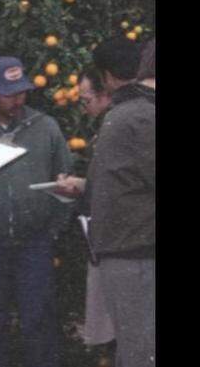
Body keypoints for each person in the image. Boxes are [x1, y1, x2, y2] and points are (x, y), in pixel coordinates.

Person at [0, 56, 73, 367]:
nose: (17, 99)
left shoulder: (46, 127)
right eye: (9, 93)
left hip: (34, 244)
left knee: (39, 321)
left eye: (22, 91)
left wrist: (52, 230)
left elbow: (67, 182)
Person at [54, 38, 155, 367]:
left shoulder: (129, 116)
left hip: (130, 252)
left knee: (136, 349)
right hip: (134, 252)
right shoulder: (136, 115)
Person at [75, 68, 115, 350]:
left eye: (85, 99)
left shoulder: (117, 127)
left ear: (104, 95)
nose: (83, 107)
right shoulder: (105, 127)